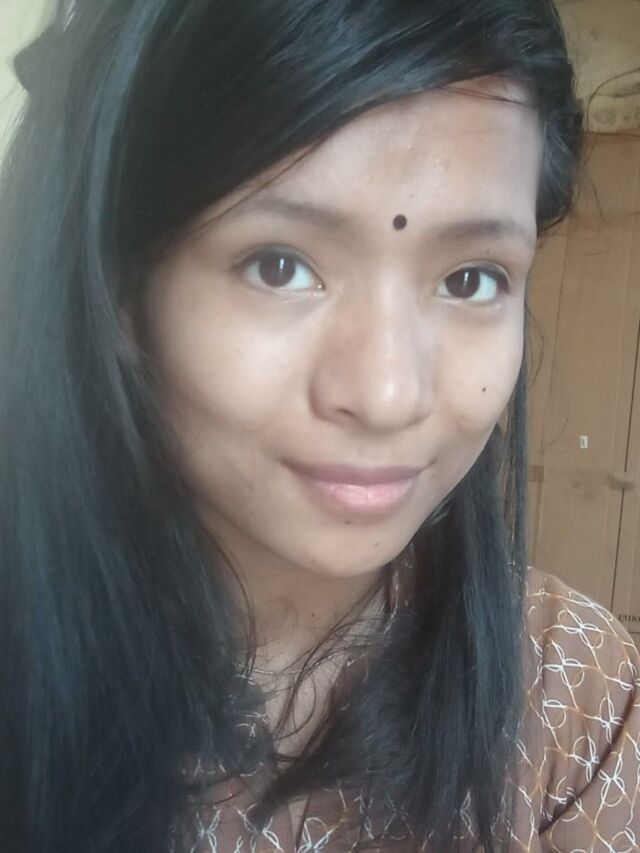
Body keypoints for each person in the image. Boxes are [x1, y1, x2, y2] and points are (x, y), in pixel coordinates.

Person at [0, 0, 638, 851]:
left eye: (471, 279)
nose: (387, 394)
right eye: (279, 266)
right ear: (120, 292)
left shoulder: (577, 699)